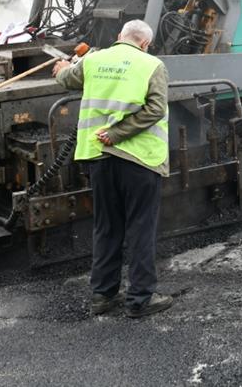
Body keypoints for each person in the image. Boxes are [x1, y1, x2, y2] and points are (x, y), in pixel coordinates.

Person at [53, 19, 172, 318]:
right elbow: (156, 108)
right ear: (145, 43)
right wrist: (119, 133)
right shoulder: (152, 65)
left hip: (99, 158)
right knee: (141, 227)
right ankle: (140, 300)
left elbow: (67, 79)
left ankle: (103, 296)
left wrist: (60, 69)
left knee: (106, 227)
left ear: (120, 37)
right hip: (140, 160)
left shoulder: (94, 59)